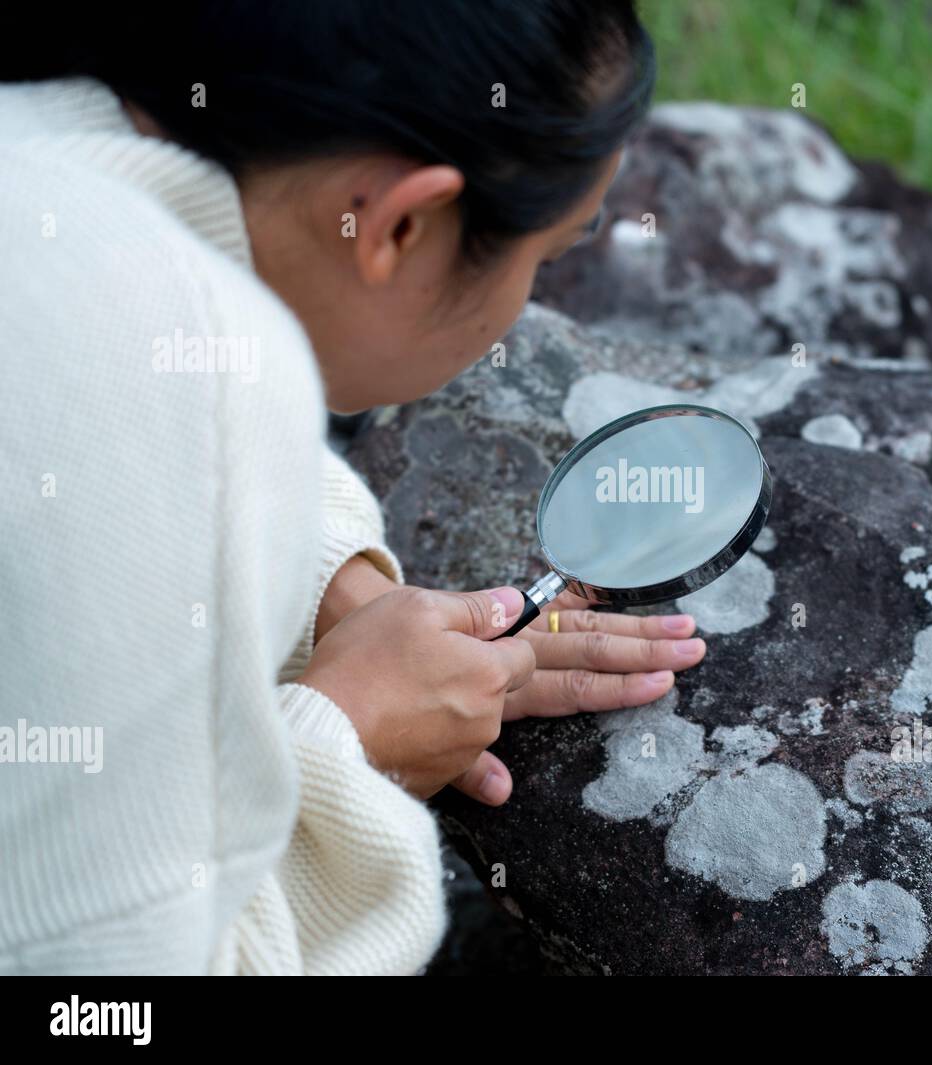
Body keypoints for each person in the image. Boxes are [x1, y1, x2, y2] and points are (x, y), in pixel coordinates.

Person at [0, 1, 706, 975]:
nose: (528, 305)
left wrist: (307, 574)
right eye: (545, 257)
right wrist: (347, 750)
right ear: (401, 222)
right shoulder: (184, 374)